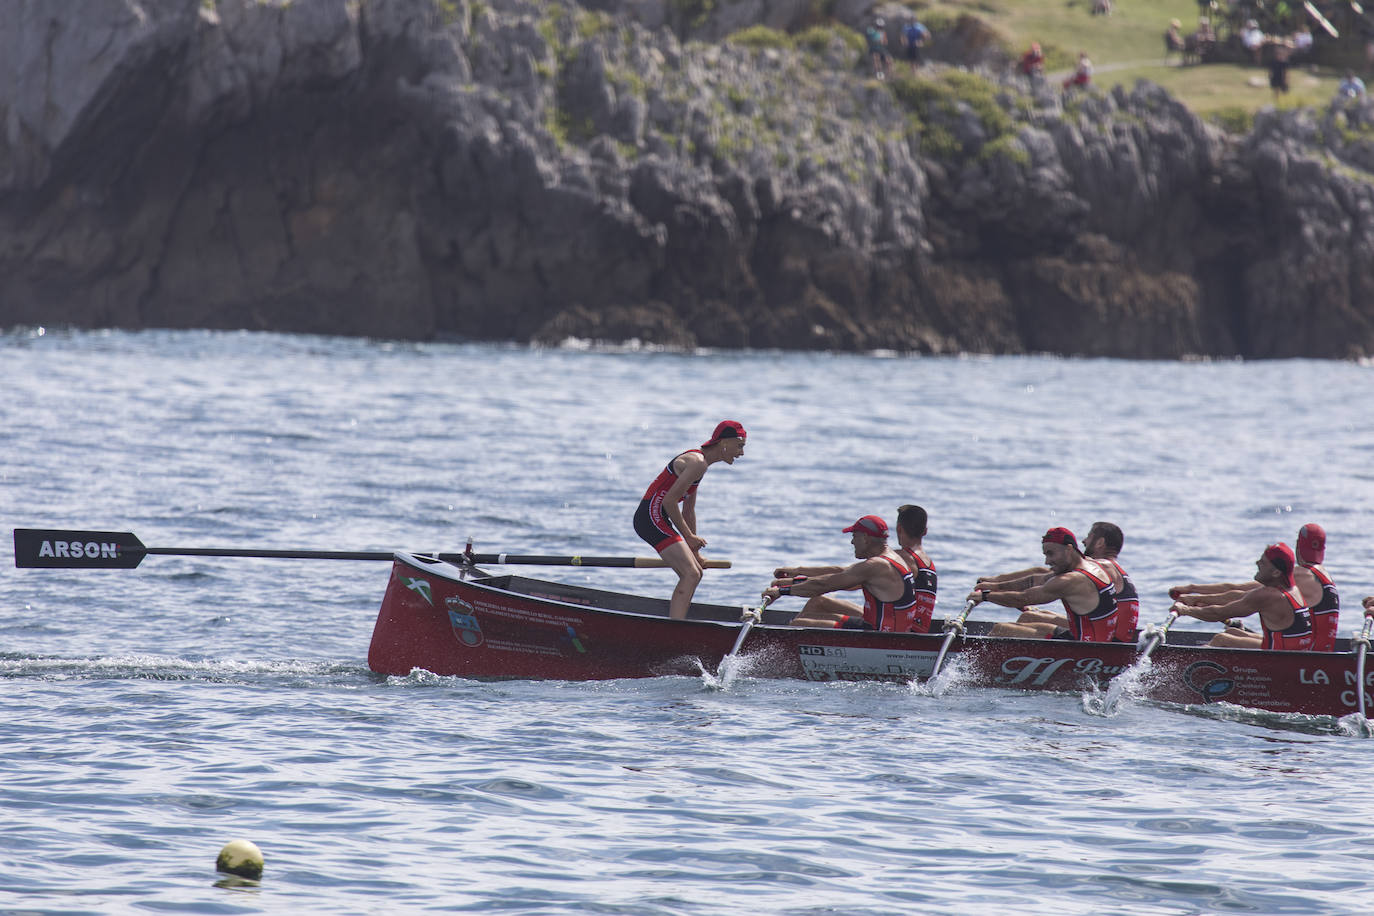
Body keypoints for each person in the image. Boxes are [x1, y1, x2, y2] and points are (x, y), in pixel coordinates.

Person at [633, 420, 746, 620]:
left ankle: (678, 622)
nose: (741, 453)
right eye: (740, 446)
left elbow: (688, 511)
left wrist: (695, 552)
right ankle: (675, 629)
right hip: (650, 517)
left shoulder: (702, 465)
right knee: (691, 574)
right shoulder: (697, 463)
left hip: (657, 517)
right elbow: (669, 502)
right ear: (724, 443)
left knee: (695, 572)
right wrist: (689, 537)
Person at [977, 521, 1138, 642]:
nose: (1083, 541)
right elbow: (1042, 576)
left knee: (1001, 630)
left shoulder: (1100, 566)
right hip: (1099, 632)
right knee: (1029, 616)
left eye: (1088, 536)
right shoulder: (1093, 566)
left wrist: (986, 595)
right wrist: (994, 584)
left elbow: (1028, 594)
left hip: (1102, 644)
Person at [767, 515, 919, 631]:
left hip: (881, 636)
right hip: (880, 623)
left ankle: (789, 655)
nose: (852, 542)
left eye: (854, 536)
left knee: (799, 624)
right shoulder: (891, 558)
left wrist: (782, 591)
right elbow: (841, 573)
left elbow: (824, 585)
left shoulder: (875, 565)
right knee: (817, 602)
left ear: (865, 538)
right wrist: (796, 573)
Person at [1168, 543, 1312, 649]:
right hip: (1291, 648)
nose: (1257, 563)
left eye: (1262, 562)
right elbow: (1236, 594)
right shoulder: (1290, 588)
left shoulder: (1269, 595)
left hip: (1285, 657)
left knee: (1221, 639)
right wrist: (1194, 596)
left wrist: (1185, 610)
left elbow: (1218, 613)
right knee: (1232, 632)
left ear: (1275, 573)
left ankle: (1187, 674)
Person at [894, 504, 938, 633]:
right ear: (925, 531)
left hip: (903, 634)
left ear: (899, 529)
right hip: (920, 631)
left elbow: (857, 581)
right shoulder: (928, 562)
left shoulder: (902, 557)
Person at [1296, 523, 1339, 652]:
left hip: (1309, 656)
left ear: (1298, 545)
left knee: (1232, 638)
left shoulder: (1303, 574)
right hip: (1322, 650)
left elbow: (1258, 590)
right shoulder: (1324, 574)